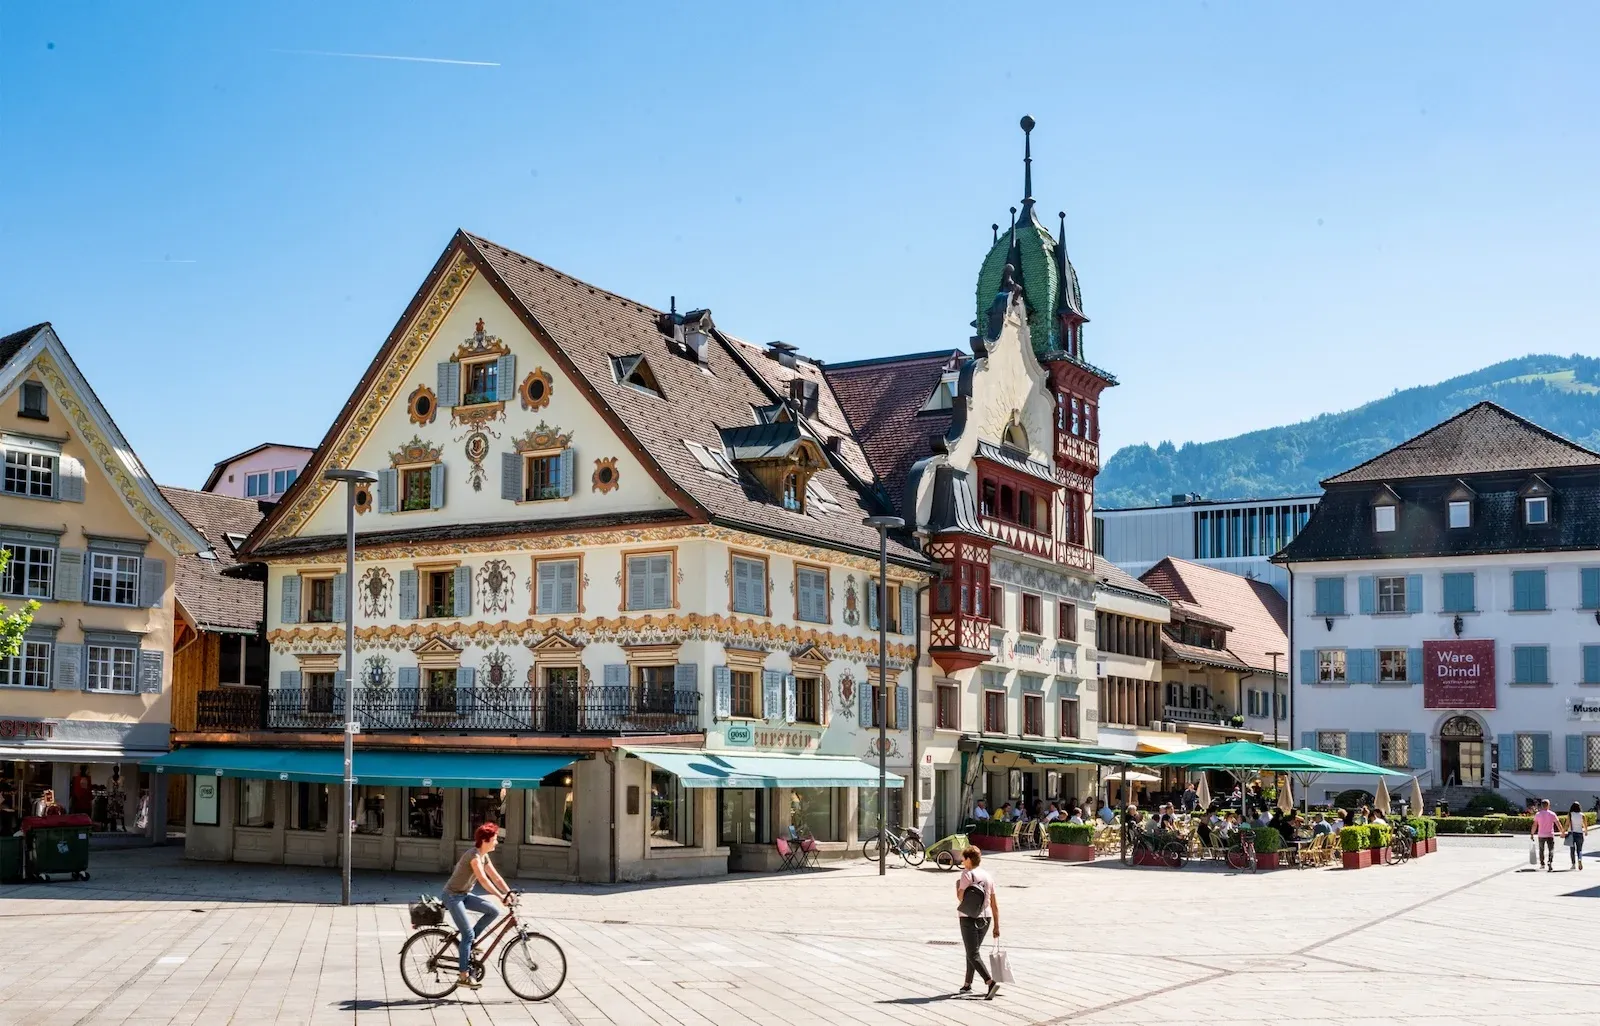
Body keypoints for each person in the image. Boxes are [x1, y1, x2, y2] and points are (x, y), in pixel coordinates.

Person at [442, 824, 514, 990]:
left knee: (493, 910)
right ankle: (463, 977)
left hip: (464, 895)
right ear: (485, 840)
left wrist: (509, 893)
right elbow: (483, 880)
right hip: (452, 896)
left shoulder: (484, 856)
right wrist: (500, 896)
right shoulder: (474, 856)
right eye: (495, 839)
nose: (497, 842)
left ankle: (470, 944)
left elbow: (496, 878)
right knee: (467, 934)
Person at [954, 845, 1001, 1000]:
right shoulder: (988, 876)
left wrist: (957, 887)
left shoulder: (967, 874)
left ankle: (990, 982)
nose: (962, 860)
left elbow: (961, 898)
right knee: (973, 951)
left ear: (969, 859)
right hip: (985, 918)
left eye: (964, 858)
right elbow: (994, 902)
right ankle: (967, 984)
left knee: (972, 953)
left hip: (968, 916)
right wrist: (996, 925)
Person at [1532, 799, 1560, 872]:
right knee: (1551, 849)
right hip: (1550, 834)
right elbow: (1558, 824)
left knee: (1541, 849)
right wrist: (1562, 832)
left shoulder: (1538, 814)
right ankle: (1550, 861)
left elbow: (1534, 825)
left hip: (1541, 834)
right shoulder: (1552, 814)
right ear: (1548, 805)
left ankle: (1542, 864)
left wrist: (1532, 833)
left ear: (1541, 805)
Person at [1567, 802, 1586, 871]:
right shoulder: (1582, 815)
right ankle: (1579, 859)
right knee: (1579, 849)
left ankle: (1573, 864)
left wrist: (1563, 831)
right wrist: (1586, 831)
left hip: (1571, 833)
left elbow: (1567, 824)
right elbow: (1585, 825)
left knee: (1572, 850)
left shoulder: (1570, 814)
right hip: (1579, 833)